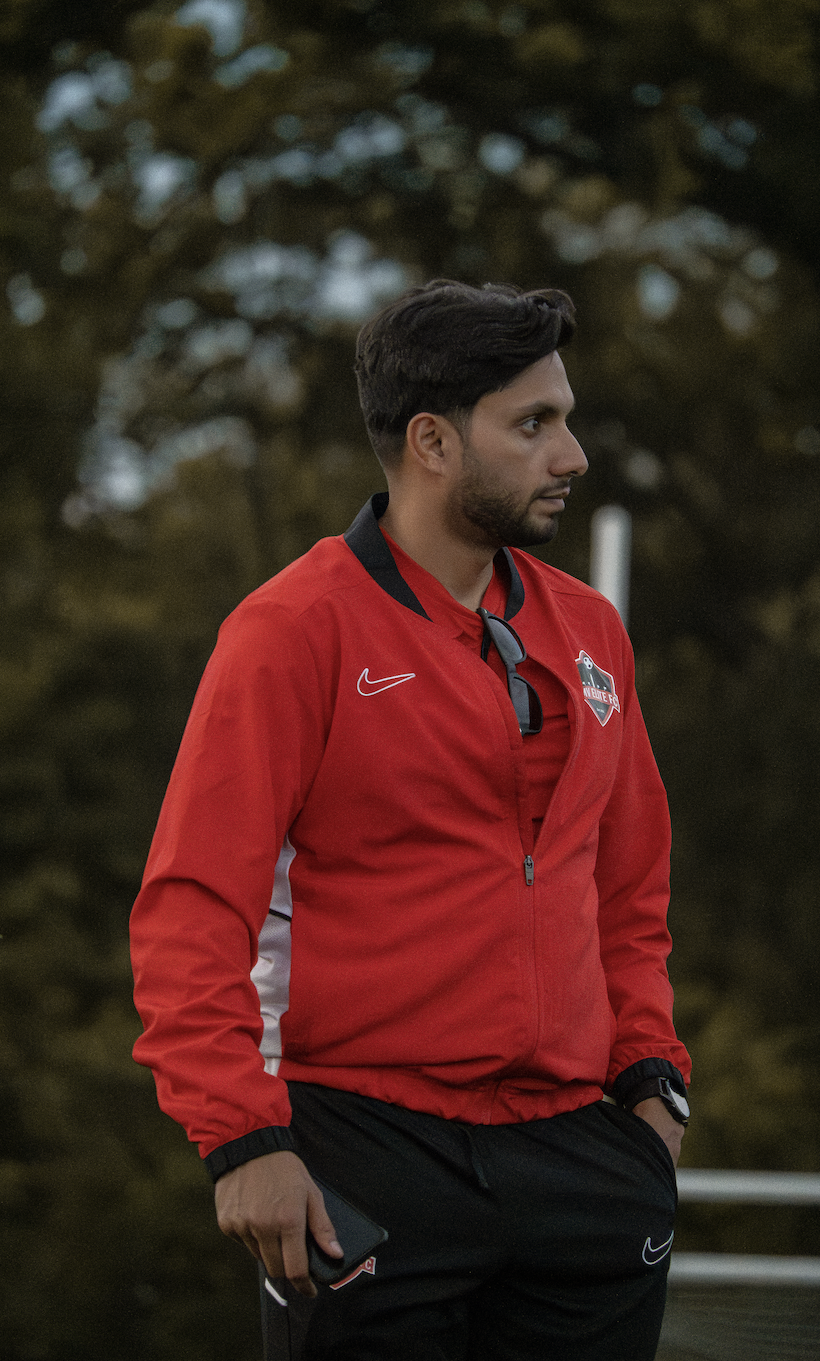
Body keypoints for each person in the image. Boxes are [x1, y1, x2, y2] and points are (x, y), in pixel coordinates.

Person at [130, 279, 691, 1360]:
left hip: (583, 1160)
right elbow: (192, 908)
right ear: (432, 442)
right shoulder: (291, 631)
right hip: (365, 1150)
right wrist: (241, 1137)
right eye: (535, 425)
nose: (571, 455)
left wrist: (652, 1082)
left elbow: (628, 885)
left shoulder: (590, 630)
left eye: (565, 419)